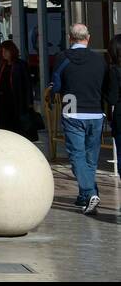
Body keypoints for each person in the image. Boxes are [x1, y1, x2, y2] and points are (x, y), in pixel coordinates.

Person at [48, 24, 115, 215]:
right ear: (88, 38)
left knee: (77, 155)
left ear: (70, 38)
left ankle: (89, 191)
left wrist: (54, 91)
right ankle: (85, 196)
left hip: (72, 109)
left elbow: (57, 85)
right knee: (90, 157)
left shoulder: (62, 57)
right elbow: (105, 85)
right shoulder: (100, 60)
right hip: (95, 112)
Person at [0, 40, 34, 140]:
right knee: (4, 126)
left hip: (16, 101)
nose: (4, 54)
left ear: (12, 51)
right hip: (3, 101)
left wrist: (29, 102)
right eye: (2, 51)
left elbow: (27, 85)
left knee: (17, 127)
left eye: (6, 51)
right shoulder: (2, 65)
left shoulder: (20, 65)